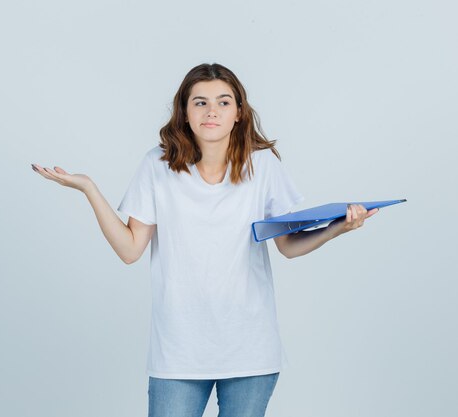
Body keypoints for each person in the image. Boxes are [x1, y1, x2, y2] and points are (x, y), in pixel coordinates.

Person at [31, 62, 378, 417]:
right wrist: (89, 188)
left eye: (223, 102)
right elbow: (130, 249)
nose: (212, 111)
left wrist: (339, 227)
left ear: (239, 113)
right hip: (178, 352)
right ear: (184, 112)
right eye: (200, 102)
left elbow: (287, 246)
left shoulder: (262, 166)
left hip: (250, 349)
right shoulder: (158, 166)